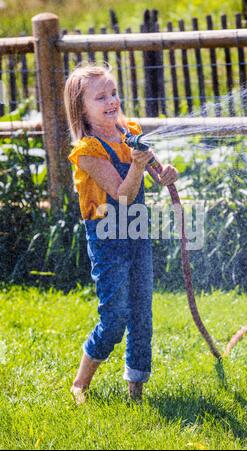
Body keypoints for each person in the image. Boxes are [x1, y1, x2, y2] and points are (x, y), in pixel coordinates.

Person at [64, 63, 178, 404]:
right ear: (82, 109)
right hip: (107, 238)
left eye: (113, 93)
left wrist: (164, 173)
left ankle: (135, 393)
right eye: (100, 97)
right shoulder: (87, 152)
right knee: (115, 318)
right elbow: (123, 196)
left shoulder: (130, 130)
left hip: (137, 232)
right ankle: (80, 383)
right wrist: (139, 167)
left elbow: (156, 172)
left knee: (142, 312)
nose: (111, 100)